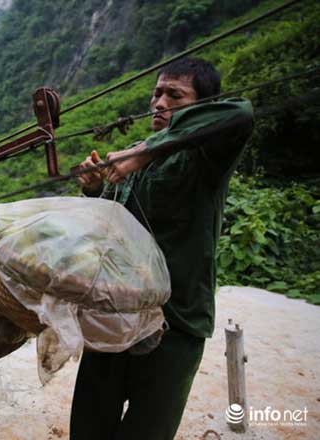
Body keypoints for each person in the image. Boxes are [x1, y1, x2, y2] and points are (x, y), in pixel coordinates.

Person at [71, 57, 254, 439]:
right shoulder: (134, 158)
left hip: (176, 322)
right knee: (89, 426)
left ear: (202, 105)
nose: (159, 102)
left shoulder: (205, 157)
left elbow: (240, 113)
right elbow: (113, 223)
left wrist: (147, 151)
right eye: (156, 93)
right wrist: (93, 189)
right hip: (114, 314)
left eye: (174, 94)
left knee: (147, 430)